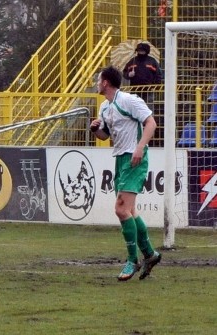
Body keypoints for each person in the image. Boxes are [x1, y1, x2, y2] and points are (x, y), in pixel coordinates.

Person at [90, 66, 162, 281]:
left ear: (105, 83)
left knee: (121, 209)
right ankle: (150, 254)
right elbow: (105, 137)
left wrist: (140, 147)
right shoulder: (105, 107)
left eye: (98, 79)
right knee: (129, 210)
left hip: (134, 157)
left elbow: (151, 122)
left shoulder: (129, 100)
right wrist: (95, 130)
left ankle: (133, 260)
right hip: (121, 158)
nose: (96, 83)